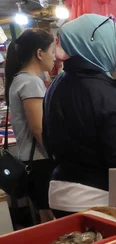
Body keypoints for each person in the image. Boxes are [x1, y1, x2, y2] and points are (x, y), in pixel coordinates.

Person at [43, 14, 116, 228]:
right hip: (97, 202)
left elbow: (47, 141)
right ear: (101, 47)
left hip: (59, 194)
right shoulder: (109, 97)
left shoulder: (57, 86)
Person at [3, 29, 56, 225]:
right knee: (51, 220)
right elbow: (38, 129)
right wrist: (58, 156)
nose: (54, 57)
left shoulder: (19, 80)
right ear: (39, 53)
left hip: (31, 160)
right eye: (51, 51)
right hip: (40, 162)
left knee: (46, 217)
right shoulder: (31, 82)